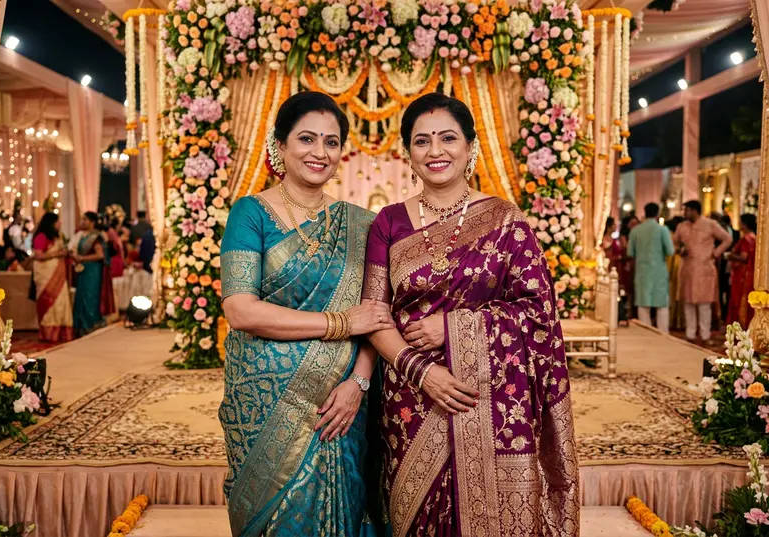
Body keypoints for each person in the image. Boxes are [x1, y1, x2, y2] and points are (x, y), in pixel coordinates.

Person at [362, 94, 579, 536]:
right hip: (410, 400)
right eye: (422, 141)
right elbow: (374, 314)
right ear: (408, 153)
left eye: (448, 138)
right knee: (413, 516)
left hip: (491, 397)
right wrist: (422, 372)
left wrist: (455, 328)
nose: (435, 151)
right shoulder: (388, 223)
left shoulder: (505, 221)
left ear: (470, 146)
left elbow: (539, 312)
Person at [219, 92, 394, 537]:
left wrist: (358, 381)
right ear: (280, 145)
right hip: (264, 403)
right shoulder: (250, 214)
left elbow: (377, 315)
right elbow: (241, 310)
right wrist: (340, 324)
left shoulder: (363, 224)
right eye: (307, 139)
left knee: (349, 507)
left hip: (341, 400)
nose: (320, 152)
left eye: (331, 142)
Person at [675, 200, 733, 344]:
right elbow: (675, 243)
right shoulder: (682, 226)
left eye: (687, 210)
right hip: (687, 267)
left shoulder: (710, 224)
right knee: (688, 302)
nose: (685, 213)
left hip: (704, 268)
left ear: (695, 211)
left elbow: (727, 239)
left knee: (704, 303)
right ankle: (690, 334)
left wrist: (715, 253)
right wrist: (680, 250)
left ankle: (705, 335)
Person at [628, 203, 674, 332]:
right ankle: (664, 336)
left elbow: (630, 253)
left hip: (642, 272)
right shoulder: (662, 230)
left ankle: (646, 334)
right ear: (657, 214)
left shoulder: (635, 230)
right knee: (662, 305)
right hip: (659, 271)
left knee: (643, 305)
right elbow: (670, 251)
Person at [31, 213, 73, 342]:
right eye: (57, 222)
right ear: (50, 223)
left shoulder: (57, 237)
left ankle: (61, 333)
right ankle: (48, 334)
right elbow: (38, 256)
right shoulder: (41, 237)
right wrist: (58, 253)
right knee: (48, 302)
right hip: (45, 275)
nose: (59, 224)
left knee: (61, 302)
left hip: (59, 275)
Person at [72, 212, 110, 337]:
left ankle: (91, 325)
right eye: (82, 219)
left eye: (85, 220)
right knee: (81, 296)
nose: (82, 222)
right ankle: (81, 326)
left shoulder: (96, 237)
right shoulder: (82, 235)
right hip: (84, 269)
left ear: (92, 222)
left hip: (93, 270)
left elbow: (100, 255)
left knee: (90, 297)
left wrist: (82, 258)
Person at [725, 213, 757, 328]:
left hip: (742, 275)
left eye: (740, 222)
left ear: (745, 224)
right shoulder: (754, 237)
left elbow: (744, 257)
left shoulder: (746, 239)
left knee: (738, 301)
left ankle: (739, 330)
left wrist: (730, 256)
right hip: (751, 274)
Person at [666, 216, 685, 331]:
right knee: (679, 294)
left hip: (675, 265)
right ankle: (679, 321)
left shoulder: (671, 236)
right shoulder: (675, 236)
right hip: (679, 264)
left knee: (674, 294)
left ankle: (674, 320)